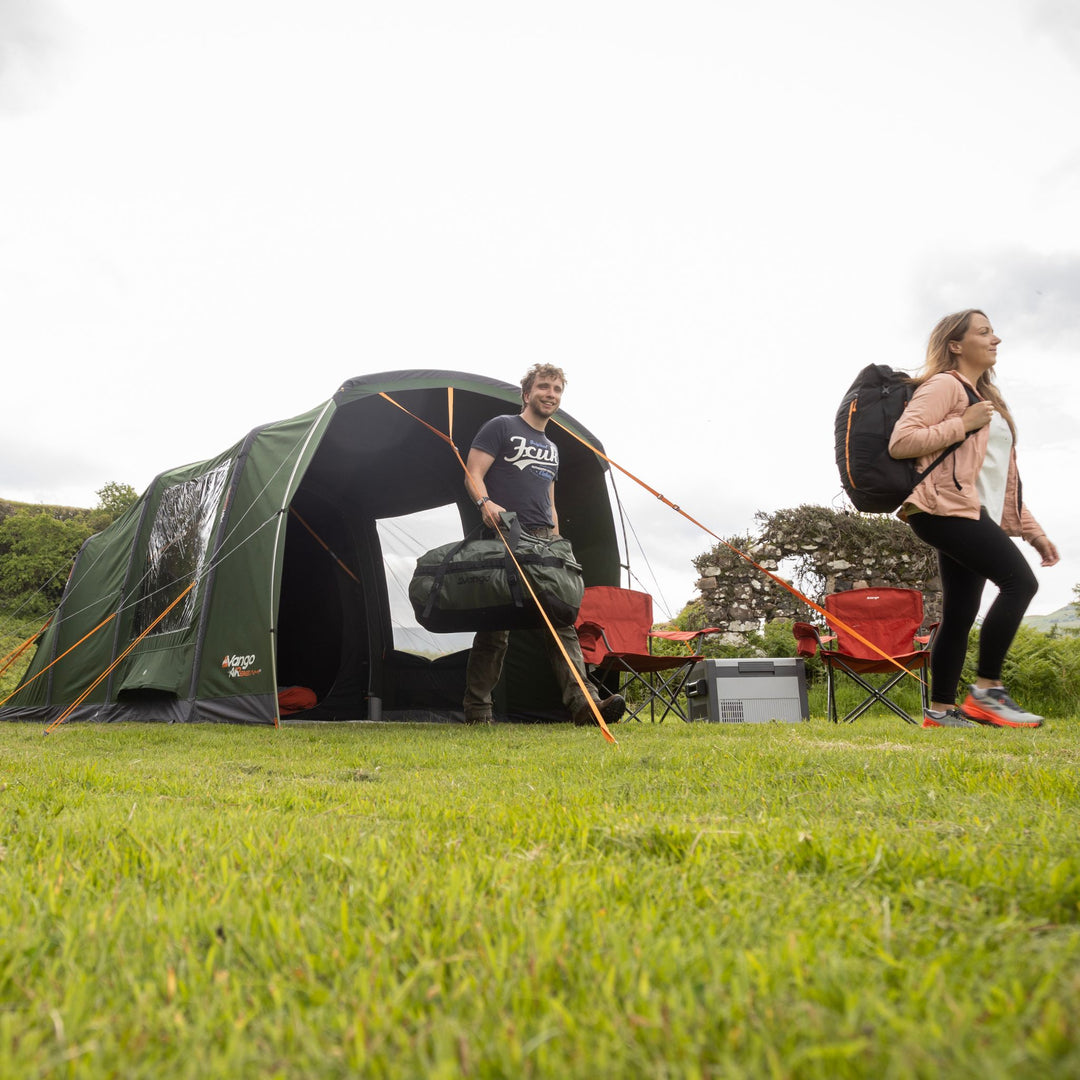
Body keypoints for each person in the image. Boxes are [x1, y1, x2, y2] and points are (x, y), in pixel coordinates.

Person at [889, 309, 1059, 729]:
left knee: (961, 612)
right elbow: (901, 442)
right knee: (1021, 583)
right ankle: (987, 692)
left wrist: (1033, 531)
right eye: (984, 332)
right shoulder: (945, 385)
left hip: (969, 510)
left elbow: (996, 479)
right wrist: (961, 424)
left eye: (994, 332)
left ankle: (941, 712)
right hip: (942, 506)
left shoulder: (987, 399)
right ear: (955, 345)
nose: (995, 339)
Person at [462, 363, 626, 727]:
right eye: (544, 387)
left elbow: (548, 497)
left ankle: (585, 703)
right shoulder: (502, 427)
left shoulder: (551, 447)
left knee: (560, 620)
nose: (550, 394)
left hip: (543, 542)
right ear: (527, 393)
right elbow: (472, 473)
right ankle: (478, 710)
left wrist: (556, 537)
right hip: (504, 534)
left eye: (556, 389)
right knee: (496, 627)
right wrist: (485, 504)